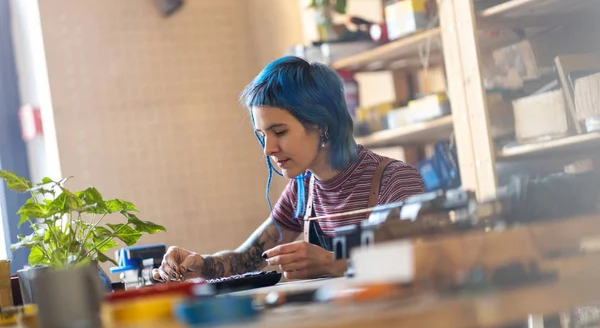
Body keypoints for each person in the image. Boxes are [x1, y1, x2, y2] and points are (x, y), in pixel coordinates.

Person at [153, 56, 425, 284]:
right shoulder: (303, 189)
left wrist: (334, 264)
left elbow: (424, 261)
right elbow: (249, 258)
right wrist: (200, 265)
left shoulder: (394, 180)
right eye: (262, 135)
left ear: (322, 125)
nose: (268, 149)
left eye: (279, 131)